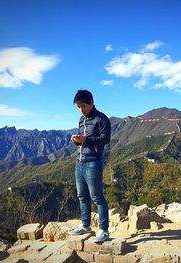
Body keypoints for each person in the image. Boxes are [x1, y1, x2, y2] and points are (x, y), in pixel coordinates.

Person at [70, 89, 111, 243]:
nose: (81, 109)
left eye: (83, 106)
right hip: (79, 162)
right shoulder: (81, 120)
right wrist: (76, 140)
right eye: (78, 107)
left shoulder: (101, 119)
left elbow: (105, 139)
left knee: (97, 197)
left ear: (91, 103)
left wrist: (85, 139)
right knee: (82, 196)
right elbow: (83, 141)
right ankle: (86, 225)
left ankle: (104, 230)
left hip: (93, 162)